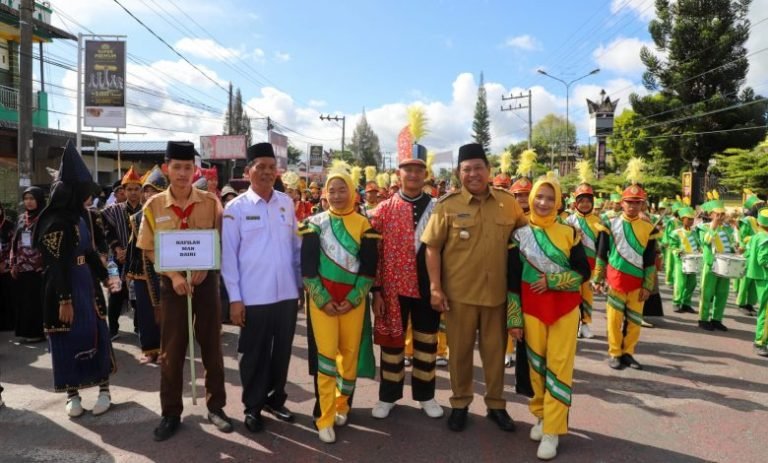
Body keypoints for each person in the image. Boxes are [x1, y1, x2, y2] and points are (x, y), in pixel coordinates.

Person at [422, 142, 527, 433]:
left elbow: (527, 239)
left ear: (488, 170)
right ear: (458, 173)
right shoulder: (447, 205)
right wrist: (435, 287)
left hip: (497, 296)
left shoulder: (509, 203)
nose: (473, 174)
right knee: (459, 354)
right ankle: (459, 404)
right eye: (466, 169)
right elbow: (432, 248)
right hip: (459, 297)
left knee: (495, 355)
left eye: (478, 168)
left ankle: (496, 405)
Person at [137, 141, 232, 441]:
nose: (182, 173)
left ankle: (216, 407)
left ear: (194, 170)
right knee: (172, 352)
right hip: (172, 285)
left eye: (187, 167)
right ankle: (170, 413)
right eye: (176, 167)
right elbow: (149, 248)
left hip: (205, 283)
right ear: (167, 169)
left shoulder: (210, 202)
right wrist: (175, 275)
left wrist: (207, 266)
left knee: (212, 348)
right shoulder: (153, 206)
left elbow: (218, 240)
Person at [507, 175, 591, 460]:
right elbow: (511, 281)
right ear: (531, 199)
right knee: (536, 367)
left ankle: (553, 430)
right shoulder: (518, 234)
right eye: (539, 197)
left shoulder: (570, 232)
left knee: (559, 366)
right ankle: (541, 416)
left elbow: (583, 272)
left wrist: (554, 280)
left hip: (565, 310)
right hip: (531, 310)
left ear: (558, 201)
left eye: (550, 198)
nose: (544, 203)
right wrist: (514, 319)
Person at [221, 142, 302, 433]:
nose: (267, 172)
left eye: (271, 167)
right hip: (253, 297)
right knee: (253, 354)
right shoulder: (235, 209)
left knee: (281, 352)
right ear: (248, 171)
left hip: (287, 294)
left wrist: (301, 283)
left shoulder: (286, 202)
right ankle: (253, 407)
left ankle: (275, 399)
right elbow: (228, 258)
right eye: (261, 167)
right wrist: (235, 299)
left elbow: (295, 247)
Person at [35, 142, 116, 417]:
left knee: (98, 334)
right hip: (63, 287)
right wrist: (65, 300)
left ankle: (104, 390)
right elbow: (57, 266)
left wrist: (106, 277)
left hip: (87, 283)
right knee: (66, 338)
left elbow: (90, 253)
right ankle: (73, 394)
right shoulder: (53, 222)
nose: (88, 196)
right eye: (83, 191)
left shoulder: (83, 216)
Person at [299, 168, 380, 444]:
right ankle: (324, 416)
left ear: (352, 192)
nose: (335, 195)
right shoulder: (314, 224)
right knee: (326, 358)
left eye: (341, 189)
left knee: (349, 357)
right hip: (322, 304)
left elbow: (369, 270)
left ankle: (342, 404)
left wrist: (354, 299)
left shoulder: (364, 226)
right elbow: (308, 269)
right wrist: (322, 299)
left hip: (352, 305)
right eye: (331, 190)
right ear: (324, 194)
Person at [369, 144, 443, 420]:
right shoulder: (383, 209)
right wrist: (376, 291)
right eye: (407, 168)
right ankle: (388, 396)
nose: (413, 173)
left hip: (427, 288)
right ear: (398, 173)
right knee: (391, 346)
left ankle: (426, 396)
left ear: (425, 173)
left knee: (427, 344)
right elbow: (374, 253)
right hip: (391, 288)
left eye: (418, 169)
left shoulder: (439, 208)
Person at [592, 177, 658, 370]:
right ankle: (614, 353)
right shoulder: (609, 224)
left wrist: (648, 285)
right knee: (614, 320)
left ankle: (628, 353)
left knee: (635, 322)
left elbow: (650, 259)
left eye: (637, 203)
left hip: (638, 282)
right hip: (615, 280)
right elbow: (601, 253)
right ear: (622, 203)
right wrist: (597, 278)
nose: (633, 206)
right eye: (629, 202)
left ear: (642, 205)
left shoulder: (649, 228)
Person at [126, 166, 166, 364]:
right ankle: (150, 350)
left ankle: (166, 350)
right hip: (143, 272)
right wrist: (128, 272)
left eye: (155, 191)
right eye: (147, 190)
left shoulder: (171, 214)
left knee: (167, 313)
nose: (150, 194)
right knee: (145, 314)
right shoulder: (137, 217)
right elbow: (133, 246)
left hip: (167, 271)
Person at [101, 167, 143, 339]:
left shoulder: (147, 210)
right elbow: (106, 231)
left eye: (136, 189)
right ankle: (112, 329)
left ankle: (139, 326)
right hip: (116, 259)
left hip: (139, 259)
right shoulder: (112, 210)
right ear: (123, 191)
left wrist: (133, 252)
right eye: (129, 189)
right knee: (115, 293)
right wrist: (118, 249)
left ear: (140, 191)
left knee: (139, 295)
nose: (133, 193)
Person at [566, 174, 600, 339]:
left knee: (587, 296)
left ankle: (585, 323)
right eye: (582, 201)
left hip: (591, 266)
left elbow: (602, 246)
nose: (585, 204)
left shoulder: (598, 222)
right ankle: (573, 323)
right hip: (573, 265)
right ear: (576, 203)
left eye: (588, 201)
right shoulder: (568, 221)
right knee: (573, 295)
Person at [697, 193, 738, 332]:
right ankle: (703, 319)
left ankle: (716, 319)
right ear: (711, 214)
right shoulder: (703, 227)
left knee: (722, 293)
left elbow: (731, 244)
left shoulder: (726, 229)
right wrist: (713, 226)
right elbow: (705, 241)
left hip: (725, 265)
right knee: (707, 293)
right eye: (718, 214)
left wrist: (736, 249)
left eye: (722, 214)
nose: (721, 216)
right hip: (711, 265)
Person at [10, 186, 46, 342]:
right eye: (26, 199)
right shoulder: (21, 218)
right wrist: (13, 263)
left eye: (32, 198)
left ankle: (37, 333)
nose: (29, 202)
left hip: (38, 268)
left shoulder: (45, 218)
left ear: (39, 200)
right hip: (22, 267)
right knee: (23, 301)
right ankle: (25, 332)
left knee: (36, 301)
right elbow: (14, 241)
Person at [744, 208, 768, 356]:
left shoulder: (757, 236)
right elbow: (763, 259)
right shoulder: (765, 239)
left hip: (761, 278)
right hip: (765, 278)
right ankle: (760, 342)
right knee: (766, 313)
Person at [737, 191, 764, 316]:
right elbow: (743, 237)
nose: (763, 206)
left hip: (758, 251)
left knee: (754, 279)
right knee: (746, 279)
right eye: (759, 205)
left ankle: (750, 303)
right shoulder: (747, 220)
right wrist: (751, 240)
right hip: (748, 252)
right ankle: (741, 303)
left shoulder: (761, 220)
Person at [669, 206, 700, 314]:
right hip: (681, 261)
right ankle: (676, 302)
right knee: (680, 283)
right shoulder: (676, 232)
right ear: (683, 219)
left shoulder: (695, 232)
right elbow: (672, 246)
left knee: (692, 283)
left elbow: (698, 245)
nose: (691, 221)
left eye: (692, 219)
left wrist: (700, 250)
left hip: (693, 261)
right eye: (689, 219)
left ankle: (686, 303)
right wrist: (679, 251)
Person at [0, 203, 16, 331]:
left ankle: (8, 324)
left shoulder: (9, 226)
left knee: (7, 295)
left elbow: (13, 245)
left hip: (5, 266)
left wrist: (5, 262)